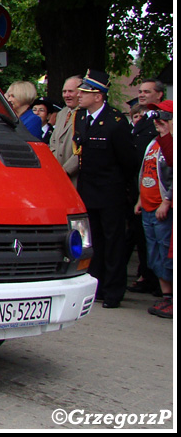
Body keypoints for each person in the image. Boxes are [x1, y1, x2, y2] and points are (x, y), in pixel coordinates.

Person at [73, 69, 138, 308]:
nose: (80, 96)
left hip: (110, 192)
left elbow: (128, 160)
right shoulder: (80, 117)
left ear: (98, 95)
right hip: (88, 190)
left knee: (113, 243)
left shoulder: (115, 122)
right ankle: (97, 286)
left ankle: (113, 291)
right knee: (95, 241)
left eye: (85, 92)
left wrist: (120, 187)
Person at [126, 78, 165, 297]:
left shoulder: (159, 121)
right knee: (143, 239)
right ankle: (148, 275)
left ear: (159, 95)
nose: (141, 95)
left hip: (159, 193)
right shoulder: (143, 120)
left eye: (147, 92)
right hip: (140, 188)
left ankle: (157, 283)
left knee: (158, 242)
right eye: (140, 91)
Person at [135, 100, 173, 319]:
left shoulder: (170, 142)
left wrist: (167, 201)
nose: (156, 120)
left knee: (168, 252)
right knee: (155, 254)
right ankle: (166, 296)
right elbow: (145, 172)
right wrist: (140, 198)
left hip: (163, 206)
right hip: (149, 204)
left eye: (162, 115)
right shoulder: (153, 143)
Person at [49, 75, 82, 185]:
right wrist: (55, 167)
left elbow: (82, 148)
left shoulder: (85, 115)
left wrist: (66, 170)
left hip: (75, 177)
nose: (66, 95)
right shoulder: (62, 113)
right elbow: (53, 141)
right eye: (64, 91)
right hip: (57, 174)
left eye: (70, 91)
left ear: (80, 93)